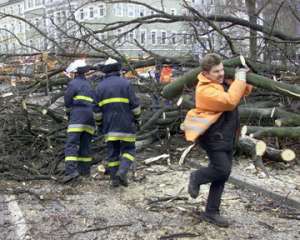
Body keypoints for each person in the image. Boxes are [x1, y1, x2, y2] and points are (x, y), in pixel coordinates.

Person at [184, 53, 252, 227]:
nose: (221, 73)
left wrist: (243, 78)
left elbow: (242, 91)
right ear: (206, 73)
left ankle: (211, 212)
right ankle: (196, 177)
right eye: (216, 71)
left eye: (222, 69)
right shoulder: (205, 90)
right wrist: (239, 79)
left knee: (223, 174)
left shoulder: (219, 82)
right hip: (214, 137)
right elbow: (230, 101)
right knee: (221, 169)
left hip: (227, 135)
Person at [94, 58, 141, 187]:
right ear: (118, 69)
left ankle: (115, 180)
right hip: (126, 123)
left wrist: (99, 125)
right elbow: (135, 106)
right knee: (130, 149)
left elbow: (97, 111)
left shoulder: (100, 87)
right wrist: (138, 119)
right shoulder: (126, 84)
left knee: (112, 153)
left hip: (109, 126)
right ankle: (122, 171)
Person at [62, 59, 96, 183]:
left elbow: (67, 101)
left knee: (71, 144)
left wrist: (69, 112)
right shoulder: (89, 84)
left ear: (75, 73)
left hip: (78, 116)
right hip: (90, 118)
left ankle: (71, 172)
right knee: (85, 144)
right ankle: (85, 171)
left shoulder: (73, 84)